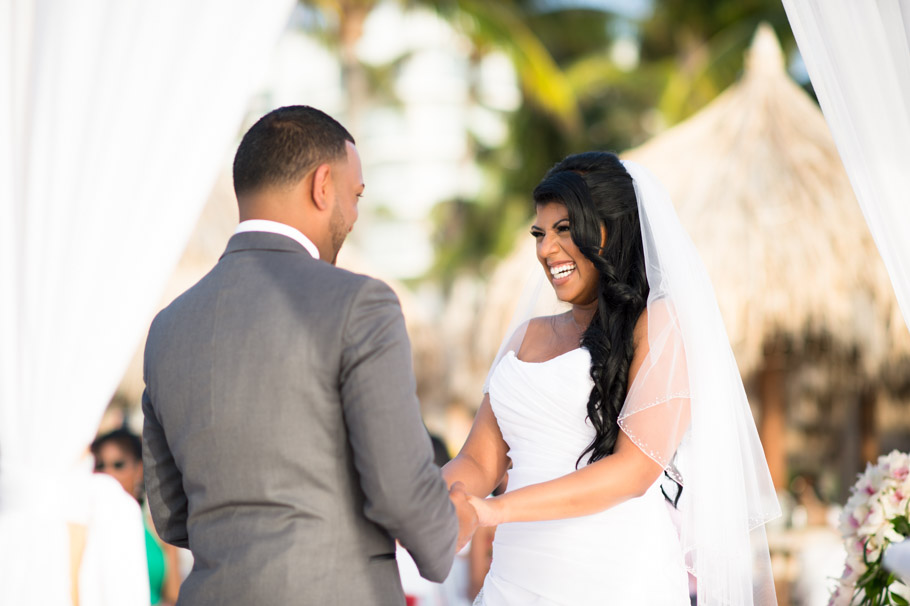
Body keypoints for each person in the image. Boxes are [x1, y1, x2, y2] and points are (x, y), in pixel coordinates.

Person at [142, 105, 475, 605]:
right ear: (323, 185)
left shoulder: (168, 326)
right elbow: (399, 489)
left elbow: (169, 512)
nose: (355, 215)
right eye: (355, 194)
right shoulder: (361, 304)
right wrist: (449, 534)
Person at [443, 152, 780, 605]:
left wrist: (493, 510)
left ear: (613, 230)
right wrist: (422, 501)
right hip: (515, 579)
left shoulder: (658, 326)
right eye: (540, 234)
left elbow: (634, 471)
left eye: (565, 230)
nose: (546, 249)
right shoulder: (525, 337)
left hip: (614, 577)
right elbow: (479, 463)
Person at [91, 428, 182, 605]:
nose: (108, 473)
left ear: (139, 469)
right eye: (100, 465)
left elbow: (173, 595)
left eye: (118, 465)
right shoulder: (85, 529)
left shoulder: (159, 529)